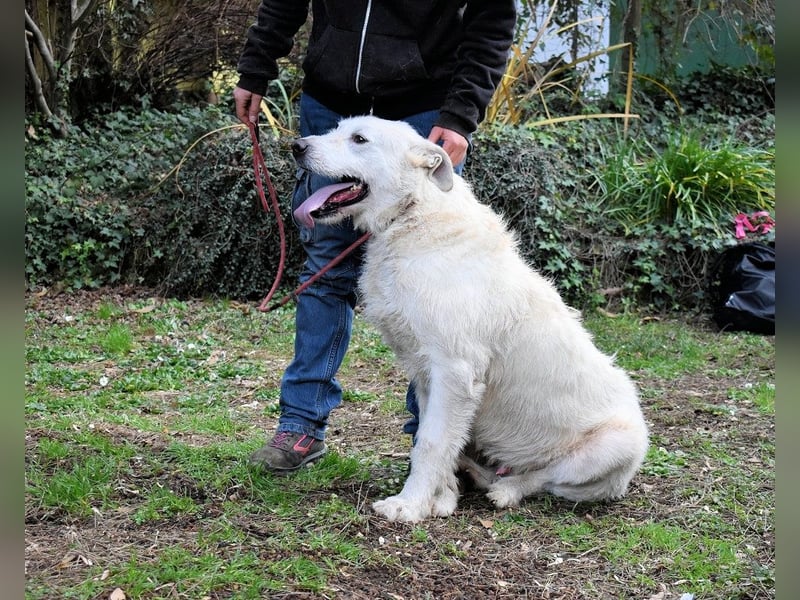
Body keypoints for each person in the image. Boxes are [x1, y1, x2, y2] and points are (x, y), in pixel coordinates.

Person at [234, 0, 516, 473]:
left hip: (422, 114)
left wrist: (461, 113)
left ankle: (438, 445)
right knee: (324, 271)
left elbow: (492, 19)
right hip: (331, 104)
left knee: (436, 282)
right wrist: (256, 67)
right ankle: (300, 425)